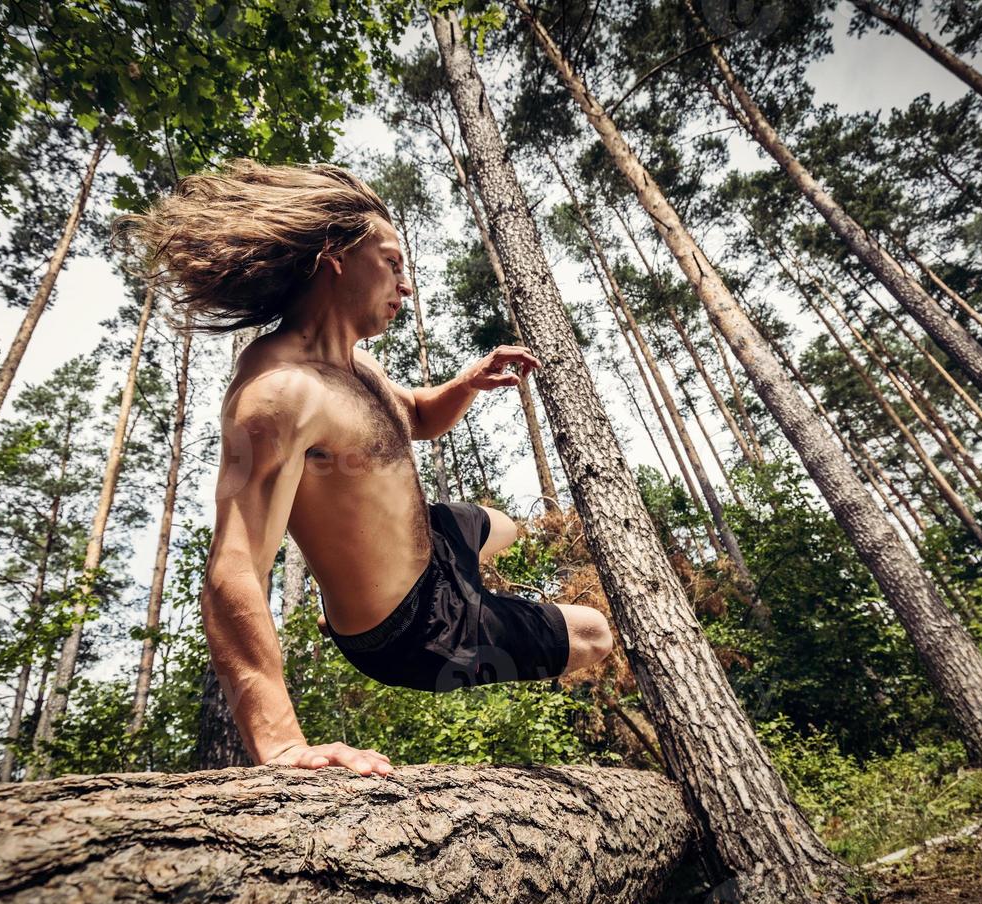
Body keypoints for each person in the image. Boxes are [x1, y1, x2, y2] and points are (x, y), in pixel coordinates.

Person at [121, 161, 613, 778]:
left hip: (431, 549)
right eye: (393, 262)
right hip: (415, 631)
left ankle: (469, 581)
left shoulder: (359, 367)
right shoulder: (280, 393)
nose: (406, 286)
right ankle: (386, 604)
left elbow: (415, 417)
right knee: (595, 633)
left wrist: (466, 382)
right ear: (334, 255)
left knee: (499, 523)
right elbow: (235, 566)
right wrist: (279, 743)